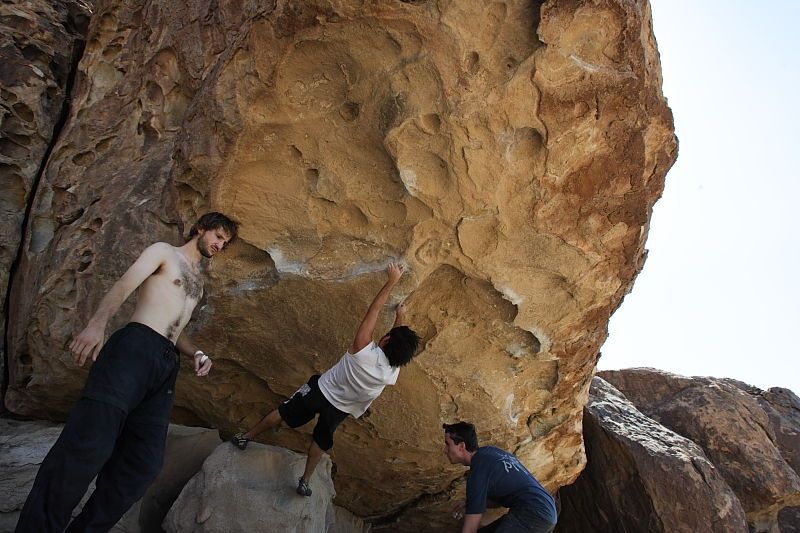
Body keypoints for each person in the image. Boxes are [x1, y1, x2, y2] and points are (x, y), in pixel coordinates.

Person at [15, 212, 239, 533]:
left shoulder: (197, 283)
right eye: (217, 236)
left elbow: (176, 329)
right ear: (200, 229)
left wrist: (196, 353)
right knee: (87, 446)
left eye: (225, 242)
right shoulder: (164, 252)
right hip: (133, 348)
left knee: (143, 464)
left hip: (164, 364)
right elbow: (125, 284)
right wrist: (96, 325)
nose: (219, 244)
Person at [230, 262, 420, 497]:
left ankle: (246, 437)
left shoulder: (362, 351)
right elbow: (396, 345)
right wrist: (400, 315)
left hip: (320, 391)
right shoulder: (393, 372)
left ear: (385, 341)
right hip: (340, 410)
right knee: (320, 441)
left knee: (284, 411)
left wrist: (392, 281)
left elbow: (373, 311)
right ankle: (306, 481)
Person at [443, 421, 558, 533]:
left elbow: (470, 529)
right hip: (546, 510)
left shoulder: (478, 472)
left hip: (533, 512)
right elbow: (501, 499)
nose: (445, 450)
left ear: (461, 446)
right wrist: (470, 504)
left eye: (448, 444)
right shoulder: (491, 453)